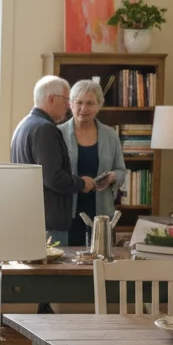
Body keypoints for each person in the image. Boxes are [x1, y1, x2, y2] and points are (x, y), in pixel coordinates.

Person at [10, 75, 94, 247]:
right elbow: (52, 177)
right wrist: (81, 184)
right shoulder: (45, 129)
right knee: (52, 272)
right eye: (66, 100)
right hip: (48, 221)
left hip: (30, 218)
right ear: (51, 99)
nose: (68, 107)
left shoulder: (24, 125)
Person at [59, 80, 127, 246]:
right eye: (79, 102)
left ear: (99, 105)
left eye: (90, 103)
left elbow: (121, 171)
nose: (84, 108)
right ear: (70, 104)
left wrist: (113, 176)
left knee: (100, 262)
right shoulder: (57, 133)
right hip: (68, 210)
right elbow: (54, 174)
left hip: (102, 212)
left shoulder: (110, 135)